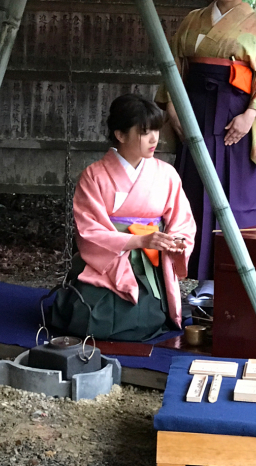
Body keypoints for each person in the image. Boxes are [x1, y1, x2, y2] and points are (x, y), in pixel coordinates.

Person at [155, 0, 256, 283]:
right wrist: (172, 107)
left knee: (236, 195)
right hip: (194, 112)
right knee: (193, 191)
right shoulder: (192, 20)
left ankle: (231, 278)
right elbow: (174, 68)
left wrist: (250, 115)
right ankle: (193, 274)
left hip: (236, 119)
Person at [50, 94, 196, 342]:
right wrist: (138, 241)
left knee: (146, 317)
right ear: (120, 135)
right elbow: (89, 230)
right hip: (109, 260)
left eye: (156, 131)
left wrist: (177, 240)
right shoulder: (94, 175)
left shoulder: (167, 174)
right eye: (144, 132)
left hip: (151, 262)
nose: (154, 139)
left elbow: (182, 220)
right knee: (89, 319)